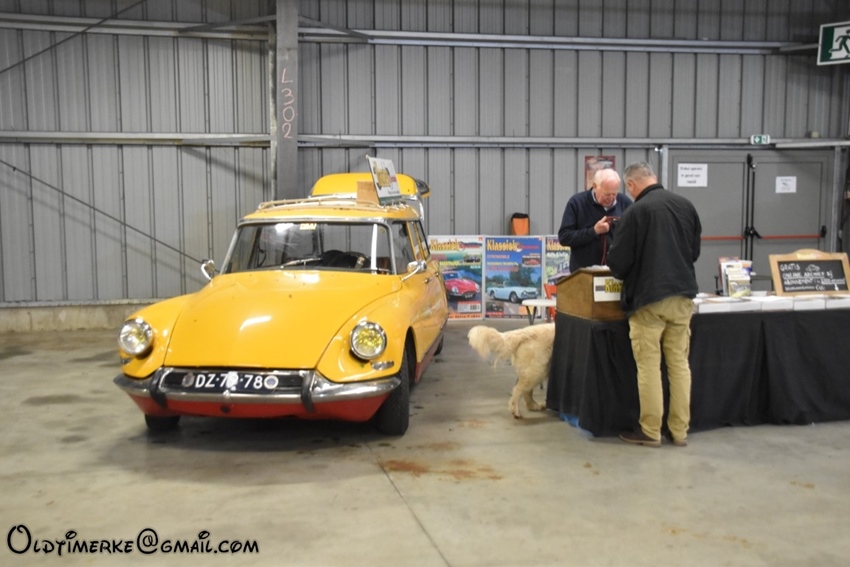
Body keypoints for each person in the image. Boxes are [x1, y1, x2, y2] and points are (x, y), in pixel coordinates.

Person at [606, 162, 702, 448]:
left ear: (631, 185)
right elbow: (694, 252)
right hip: (683, 296)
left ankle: (650, 430)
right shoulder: (686, 206)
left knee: (648, 366)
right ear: (653, 178)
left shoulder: (635, 212)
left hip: (648, 299)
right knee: (679, 365)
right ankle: (679, 431)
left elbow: (618, 263)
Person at [558, 168, 631, 273]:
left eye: (614, 194)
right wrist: (594, 231)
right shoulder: (577, 203)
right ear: (595, 187)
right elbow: (564, 237)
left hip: (616, 272)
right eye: (607, 194)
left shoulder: (625, 203)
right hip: (583, 273)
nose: (611, 198)